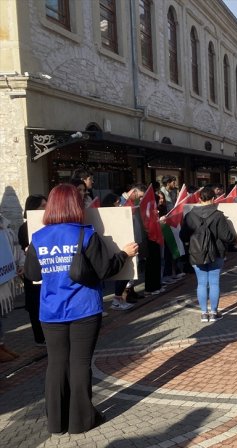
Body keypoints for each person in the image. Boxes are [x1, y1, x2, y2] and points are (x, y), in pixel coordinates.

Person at [23, 184, 137, 434]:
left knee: (56, 363)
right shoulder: (85, 233)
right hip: (83, 309)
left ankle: (56, 421)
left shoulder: (39, 237)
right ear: (75, 206)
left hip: (51, 311)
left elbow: (32, 274)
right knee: (80, 363)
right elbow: (104, 270)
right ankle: (80, 421)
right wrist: (124, 254)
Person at [180, 185, 237, 322]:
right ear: (214, 199)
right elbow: (226, 236)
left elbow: (183, 236)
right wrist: (236, 240)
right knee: (214, 283)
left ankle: (203, 313)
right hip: (217, 252)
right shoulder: (218, 215)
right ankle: (213, 312)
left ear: (199, 198)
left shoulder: (190, 215)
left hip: (196, 252)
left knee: (201, 283)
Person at [18, 194, 48, 346]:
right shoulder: (25, 228)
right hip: (32, 270)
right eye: (43, 206)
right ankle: (39, 337)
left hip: (46, 269)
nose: (46, 208)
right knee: (35, 303)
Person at [0, 210, 24, 362]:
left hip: (6, 276)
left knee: (2, 314)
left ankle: (1, 345)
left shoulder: (6, 224)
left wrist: (21, 263)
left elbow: (17, 248)